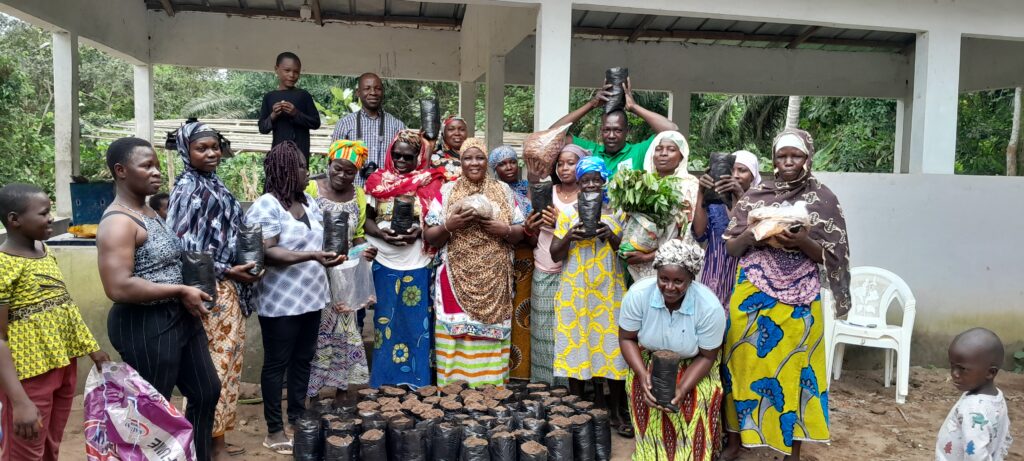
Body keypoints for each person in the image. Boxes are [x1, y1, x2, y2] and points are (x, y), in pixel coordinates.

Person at [721, 128, 851, 461]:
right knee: (739, 362)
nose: (789, 161)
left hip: (801, 296)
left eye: (796, 155)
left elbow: (832, 256)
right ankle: (736, 442)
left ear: (808, 158)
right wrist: (753, 232)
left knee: (798, 368)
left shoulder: (824, 199)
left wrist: (801, 241)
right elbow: (733, 247)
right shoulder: (756, 195)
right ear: (774, 159)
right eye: (782, 156)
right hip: (752, 290)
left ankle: (792, 448)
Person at [96, 137, 221, 461]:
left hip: (178, 316)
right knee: (152, 411)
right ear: (121, 171)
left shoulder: (147, 210)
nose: (156, 173)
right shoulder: (118, 223)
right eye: (146, 166)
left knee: (207, 391)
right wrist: (179, 290)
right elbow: (118, 287)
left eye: (156, 165)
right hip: (144, 324)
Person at [166, 122, 261, 460]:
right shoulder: (187, 190)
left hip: (228, 289)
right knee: (212, 372)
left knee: (229, 367)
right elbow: (183, 247)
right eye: (201, 148)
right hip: (206, 290)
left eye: (214, 147)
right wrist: (226, 269)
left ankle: (217, 440)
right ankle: (205, 444)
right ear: (185, 152)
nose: (210, 153)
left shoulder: (214, 184)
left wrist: (244, 263)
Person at [245, 141, 345, 455]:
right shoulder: (267, 205)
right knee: (277, 363)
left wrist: (329, 256)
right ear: (286, 170)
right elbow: (268, 251)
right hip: (281, 301)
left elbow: (322, 241)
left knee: (303, 359)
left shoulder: (310, 204)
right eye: (301, 166)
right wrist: (313, 255)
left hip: (312, 296)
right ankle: (274, 429)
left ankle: (298, 416)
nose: (307, 171)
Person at [0, 184, 109, 460]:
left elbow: (64, 306)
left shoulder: (44, 251)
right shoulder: (4, 266)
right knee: (25, 451)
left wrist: (91, 348)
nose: (51, 218)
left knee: (50, 445)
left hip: (62, 365)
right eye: (44, 213)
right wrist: (19, 401)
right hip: (27, 375)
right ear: (14, 220)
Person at [424, 138, 526, 387]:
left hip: (495, 277)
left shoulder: (503, 191)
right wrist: (450, 225)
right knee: (455, 334)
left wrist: (503, 229)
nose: (474, 163)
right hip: (455, 275)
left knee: (490, 340)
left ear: (486, 161)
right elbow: (430, 236)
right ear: (460, 161)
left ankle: (490, 393)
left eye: (479, 157)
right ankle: (453, 394)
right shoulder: (447, 192)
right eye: (468, 157)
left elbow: (520, 230)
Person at [619, 238, 726, 461]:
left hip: (695, 363)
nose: (669, 287)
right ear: (656, 274)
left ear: (691, 279)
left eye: (679, 281)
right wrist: (642, 375)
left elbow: (708, 356)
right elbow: (627, 339)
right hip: (648, 361)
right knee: (643, 395)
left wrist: (683, 388)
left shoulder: (708, 306)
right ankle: (650, 455)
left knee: (696, 400)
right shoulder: (638, 295)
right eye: (663, 279)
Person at [549, 156, 631, 435]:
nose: (592, 184)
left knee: (613, 349)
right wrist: (570, 235)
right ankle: (576, 406)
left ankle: (616, 410)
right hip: (576, 291)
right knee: (576, 346)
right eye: (586, 180)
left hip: (609, 291)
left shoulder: (616, 213)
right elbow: (555, 254)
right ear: (580, 184)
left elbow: (628, 252)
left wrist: (611, 235)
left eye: (597, 179)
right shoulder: (569, 214)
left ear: (604, 180)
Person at [363, 130, 443, 388]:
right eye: (396, 155)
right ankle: (383, 380)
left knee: (416, 322)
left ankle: (416, 380)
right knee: (385, 321)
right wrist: (383, 236)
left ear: (418, 158)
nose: (400, 161)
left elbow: (436, 220)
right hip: (384, 260)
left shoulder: (429, 182)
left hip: (417, 261)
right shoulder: (376, 181)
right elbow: (367, 220)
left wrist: (421, 232)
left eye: (407, 157)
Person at [304, 140, 374, 404]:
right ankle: (310, 393)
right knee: (315, 332)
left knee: (345, 330)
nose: (343, 176)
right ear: (328, 164)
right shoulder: (311, 188)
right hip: (314, 272)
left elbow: (357, 235)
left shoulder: (358, 195)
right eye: (338, 169)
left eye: (350, 172)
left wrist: (364, 250)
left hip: (345, 274)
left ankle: (341, 390)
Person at [525, 144, 589, 386]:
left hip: (573, 270)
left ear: (581, 165)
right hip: (543, 266)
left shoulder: (589, 196)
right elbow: (532, 236)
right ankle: (543, 388)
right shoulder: (545, 191)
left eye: (570, 163)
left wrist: (561, 223)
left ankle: (570, 393)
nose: (564, 168)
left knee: (570, 331)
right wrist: (530, 227)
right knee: (543, 331)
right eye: (560, 163)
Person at [549, 78, 678, 176]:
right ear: (601, 131)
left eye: (617, 130)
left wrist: (634, 107)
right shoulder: (589, 152)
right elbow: (552, 135)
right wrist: (591, 104)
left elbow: (672, 131)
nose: (611, 136)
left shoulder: (639, 151)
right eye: (607, 130)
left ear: (627, 131)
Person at [621, 130, 700, 282]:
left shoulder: (689, 187)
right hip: (638, 265)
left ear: (681, 155)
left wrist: (648, 256)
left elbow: (688, 234)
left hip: (674, 267)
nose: (663, 153)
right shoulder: (640, 184)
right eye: (659, 149)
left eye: (671, 149)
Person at [692, 150, 761, 308]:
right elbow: (699, 233)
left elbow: (754, 230)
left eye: (742, 170)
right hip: (714, 276)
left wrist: (739, 194)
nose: (735, 175)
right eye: (732, 170)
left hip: (746, 277)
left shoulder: (760, 203)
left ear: (753, 176)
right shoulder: (715, 203)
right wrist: (701, 193)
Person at [490, 145, 534, 380]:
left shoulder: (530, 189)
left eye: (511, 161)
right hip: (501, 257)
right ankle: (500, 370)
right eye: (501, 164)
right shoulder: (492, 192)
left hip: (527, 257)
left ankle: (523, 373)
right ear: (494, 169)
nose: (508, 167)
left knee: (523, 313)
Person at [936, 328, 1013, 461]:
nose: (954, 373)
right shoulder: (997, 397)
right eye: (952, 366)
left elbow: (976, 454)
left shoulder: (973, 408)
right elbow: (1004, 432)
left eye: (962, 369)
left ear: (990, 373)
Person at [331, 73, 406, 184]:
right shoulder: (344, 124)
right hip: (353, 191)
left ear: (383, 92)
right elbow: (334, 161)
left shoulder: (397, 125)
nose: (373, 92)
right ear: (358, 93)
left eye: (378, 89)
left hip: (387, 190)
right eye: (367, 88)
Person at [258, 52, 321, 161]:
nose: (292, 75)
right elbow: (263, 128)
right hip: (278, 158)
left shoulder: (303, 95)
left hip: (300, 157)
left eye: (296, 72)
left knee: (300, 178)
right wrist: (273, 115)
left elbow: (316, 123)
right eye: (287, 70)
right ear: (276, 69)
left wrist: (296, 113)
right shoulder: (269, 97)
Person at [430, 116, 469, 181]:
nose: (457, 133)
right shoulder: (433, 159)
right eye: (451, 129)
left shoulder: (475, 157)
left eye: (462, 129)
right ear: (443, 134)